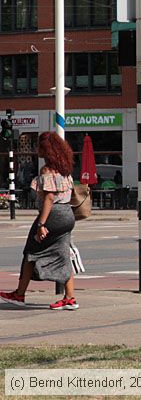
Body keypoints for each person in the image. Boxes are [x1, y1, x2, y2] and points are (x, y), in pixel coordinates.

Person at [1, 132, 78, 310]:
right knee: (64, 255)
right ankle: (70, 298)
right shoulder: (65, 168)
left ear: (48, 150)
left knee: (30, 252)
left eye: (40, 147)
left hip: (53, 215)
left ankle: (19, 294)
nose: (37, 150)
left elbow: (49, 198)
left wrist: (41, 224)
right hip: (67, 214)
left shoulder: (47, 170)